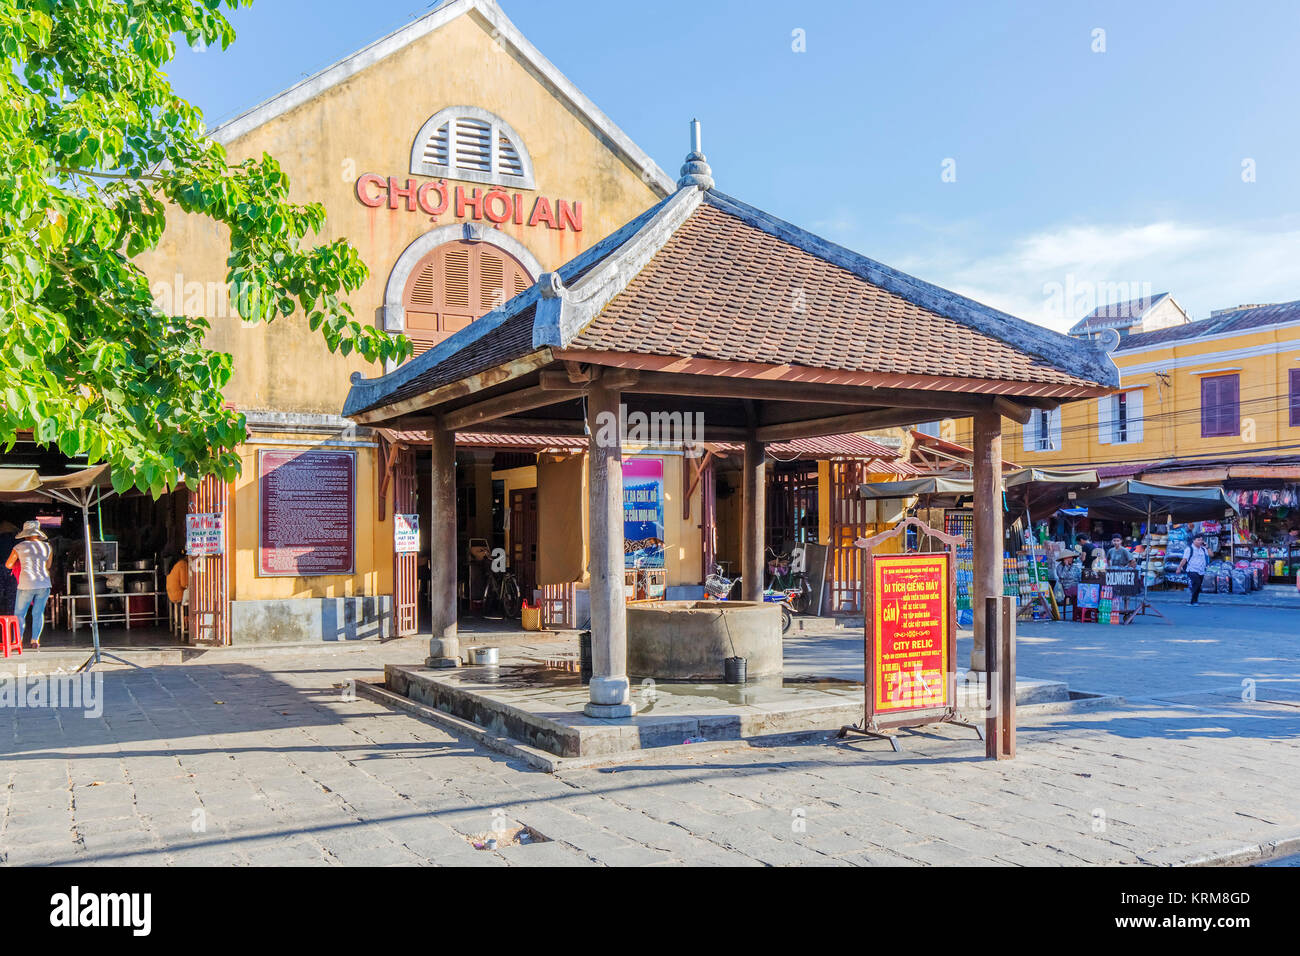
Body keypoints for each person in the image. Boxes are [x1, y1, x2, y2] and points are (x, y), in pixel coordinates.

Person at [5, 520, 53, 649]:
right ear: (37, 533)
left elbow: (8, 564)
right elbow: (48, 566)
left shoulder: (20, 547)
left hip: (26, 584)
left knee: (20, 614)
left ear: (25, 534)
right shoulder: (47, 546)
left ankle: (18, 641)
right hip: (44, 584)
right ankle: (35, 640)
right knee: (38, 613)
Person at [1177, 533, 1210, 606]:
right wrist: (1179, 568)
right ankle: (1193, 601)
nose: (1200, 541)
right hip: (1192, 570)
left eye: (1201, 540)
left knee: (1198, 586)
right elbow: (1184, 560)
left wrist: (1207, 547)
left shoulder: (1203, 549)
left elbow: (1211, 555)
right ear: (1193, 541)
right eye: (1198, 540)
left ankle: (1195, 600)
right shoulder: (1189, 549)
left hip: (1201, 570)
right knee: (1197, 583)